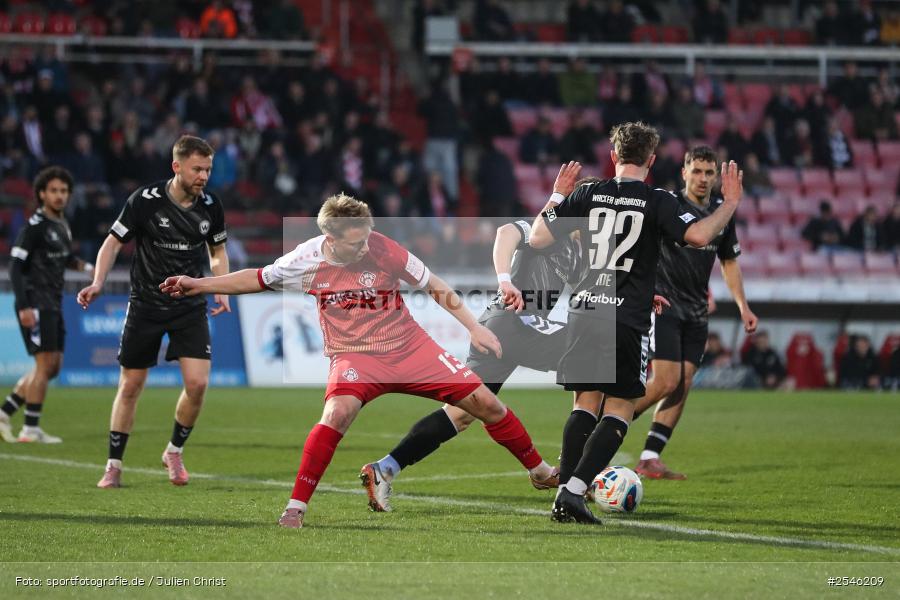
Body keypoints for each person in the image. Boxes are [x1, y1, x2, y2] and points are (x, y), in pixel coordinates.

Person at [158, 194, 557, 528]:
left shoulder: (384, 248)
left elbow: (434, 285)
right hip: (355, 358)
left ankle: (539, 472)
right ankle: (296, 507)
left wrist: (473, 328)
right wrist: (199, 285)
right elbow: (255, 279)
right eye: (355, 242)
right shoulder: (306, 261)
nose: (365, 246)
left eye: (367, 237)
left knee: (486, 403)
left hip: (409, 347)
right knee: (336, 415)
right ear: (329, 238)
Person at [529, 121, 745, 524]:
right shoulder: (656, 199)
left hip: (583, 310)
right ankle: (575, 493)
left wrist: (558, 192)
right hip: (625, 316)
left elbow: (538, 238)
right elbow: (698, 237)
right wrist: (729, 204)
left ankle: (564, 493)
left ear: (613, 156)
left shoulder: (587, 192)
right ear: (651, 159)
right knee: (622, 407)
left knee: (584, 403)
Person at [359, 164, 590, 512]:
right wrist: (504, 279)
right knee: (591, 362)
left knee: (462, 414)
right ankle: (572, 476)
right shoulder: (546, 230)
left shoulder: (578, 253)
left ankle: (385, 468)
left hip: (506, 330)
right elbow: (505, 234)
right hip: (511, 323)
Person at [76, 135, 231, 489]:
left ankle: (174, 451)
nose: (203, 176)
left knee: (198, 384)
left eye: (207, 169)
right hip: (145, 304)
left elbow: (217, 253)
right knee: (131, 385)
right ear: (176, 167)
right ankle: (114, 464)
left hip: (189, 304)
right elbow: (113, 242)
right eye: (197, 169)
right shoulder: (145, 201)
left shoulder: (211, 205)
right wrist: (98, 282)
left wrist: (221, 287)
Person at [629, 146, 758, 481]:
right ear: (684, 172)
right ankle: (608, 423)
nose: (703, 179)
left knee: (683, 384)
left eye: (709, 173)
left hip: (697, 310)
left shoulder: (721, 212)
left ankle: (649, 457)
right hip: (665, 304)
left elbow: (729, 262)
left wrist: (743, 306)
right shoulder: (667, 205)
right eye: (697, 171)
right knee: (665, 381)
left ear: (716, 177)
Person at [1, 167, 92, 443]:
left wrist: (90, 268)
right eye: (53, 190)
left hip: (53, 301)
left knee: (53, 367)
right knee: (44, 366)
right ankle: (30, 429)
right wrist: (24, 306)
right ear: (42, 194)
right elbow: (15, 268)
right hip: (35, 301)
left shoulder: (61, 224)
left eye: (64, 191)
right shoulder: (35, 227)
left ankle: (4, 413)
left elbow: (65, 258)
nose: (59, 196)